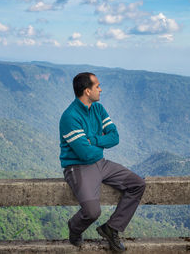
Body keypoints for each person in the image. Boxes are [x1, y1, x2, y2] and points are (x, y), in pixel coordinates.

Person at [59, 72, 146, 252]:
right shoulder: (70, 117)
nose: (101, 89)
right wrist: (98, 144)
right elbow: (84, 154)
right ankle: (74, 227)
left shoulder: (98, 109)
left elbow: (115, 137)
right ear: (87, 91)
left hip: (101, 163)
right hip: (78, 167)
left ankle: (111, 228)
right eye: (97, 86)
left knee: (137, 184)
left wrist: (93, 140)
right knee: (92, 212)